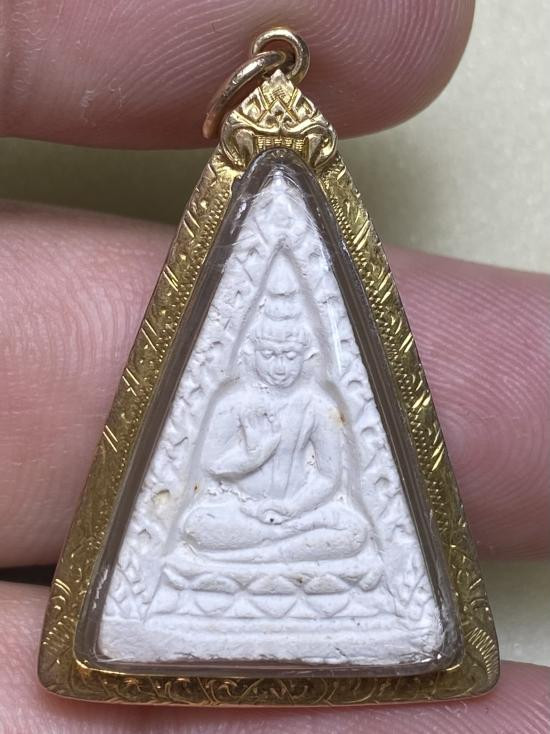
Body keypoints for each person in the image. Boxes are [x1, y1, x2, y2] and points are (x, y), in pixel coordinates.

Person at [1, 1, 549, 732]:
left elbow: (329, 480)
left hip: (305, 527)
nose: (286, 361)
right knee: (200, 525)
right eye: (274, 352)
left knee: (350, 532)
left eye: (295, 352)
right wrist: (254, 460)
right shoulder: (237, 401)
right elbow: (215, 474)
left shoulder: (316, 404)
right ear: (255, 350)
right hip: (236, 528)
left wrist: (290, 511)